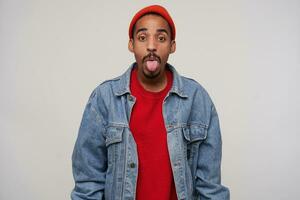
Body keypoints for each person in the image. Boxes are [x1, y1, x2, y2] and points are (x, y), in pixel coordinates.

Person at [71, 5, 230, 200]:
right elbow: (88, 184)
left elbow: (210, 188)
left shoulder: (197, 99)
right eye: (143, 37)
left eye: (161, 38)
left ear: (172, 45)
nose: (152, 46)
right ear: (131, 44)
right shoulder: (104, 99)